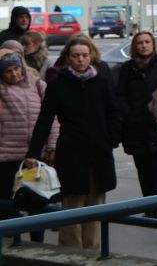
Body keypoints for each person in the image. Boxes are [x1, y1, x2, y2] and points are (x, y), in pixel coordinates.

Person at [26, 34, 120, 250]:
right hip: (71, 154)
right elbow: (44, 121)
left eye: (85, 55)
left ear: (91, 57)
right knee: (72, 208)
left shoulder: (102, 81)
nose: (80, 59)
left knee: (96, 208)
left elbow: (114, 113)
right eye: (76, 55)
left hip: (99, 153)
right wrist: (33, 152)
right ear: (68, 58)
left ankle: (93, 255)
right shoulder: (58, 85)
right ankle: (71, 255)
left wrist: (111, 140)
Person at [0, 48, 57, 242]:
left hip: (34, 156)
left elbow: (52, 119)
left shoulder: (37, 85)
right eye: (8, 71)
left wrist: (51, 146)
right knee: (8, 204)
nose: (14, 74)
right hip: (7, 158)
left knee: (37, 202)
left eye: (16, 69)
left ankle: (37, 243)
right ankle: (12, 244)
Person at [114, 31, 157, 203]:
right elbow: (120, 95)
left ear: (153, 44)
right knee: (144, 173)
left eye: (147, 42)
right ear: (134, 46)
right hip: (136, 131)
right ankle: (150, 209)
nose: (144, 45)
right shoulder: (127, 69)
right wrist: (128, 114)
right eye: (140, 42)